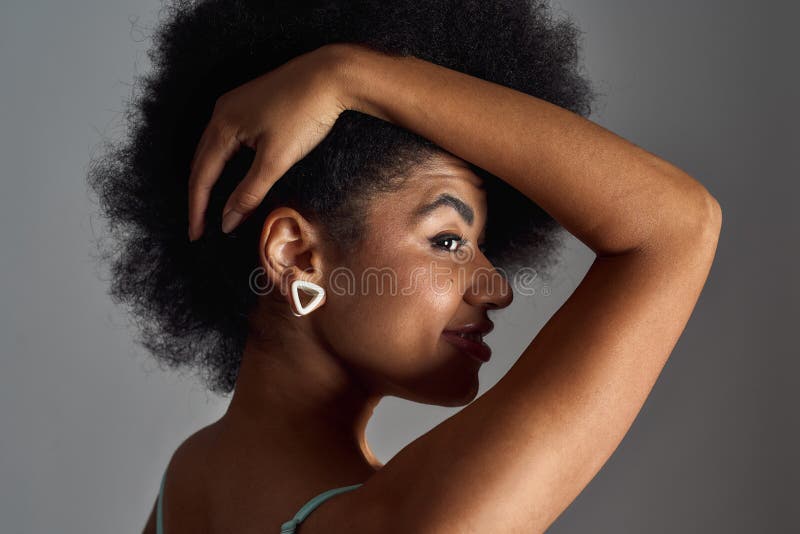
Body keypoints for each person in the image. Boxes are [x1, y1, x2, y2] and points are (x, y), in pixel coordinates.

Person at [87, 1, 722, 532]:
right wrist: (348, 77)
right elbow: (676, 225)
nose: (498, 288)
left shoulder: (187, 480)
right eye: (448, 240)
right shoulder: (415, 520)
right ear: (298, 257)